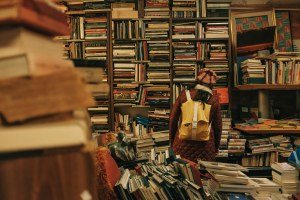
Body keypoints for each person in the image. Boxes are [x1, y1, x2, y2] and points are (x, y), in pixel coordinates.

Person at [169, 68, 222, 162]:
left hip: (182, 145)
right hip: (206, 147)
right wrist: (216, 146)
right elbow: (218, 126)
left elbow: (173, 119)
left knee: (182, 173)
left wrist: (172, 141)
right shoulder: (214, 99)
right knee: (203, 174)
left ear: (197, 80)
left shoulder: (184, 95)